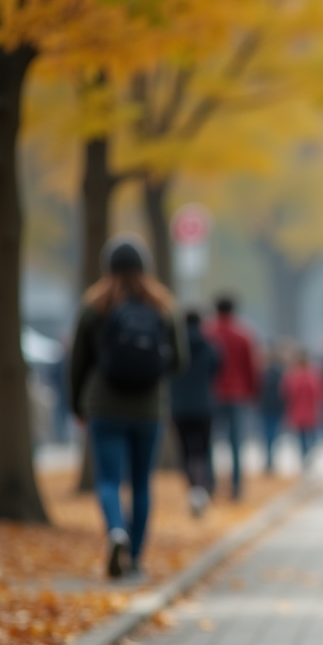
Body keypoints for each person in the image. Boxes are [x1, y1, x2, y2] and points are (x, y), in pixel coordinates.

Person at [69, 238, 185, 579]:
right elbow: (179, 360)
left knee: (108, 480)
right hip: (149, 409)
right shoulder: (162, 305)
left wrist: (78, 404)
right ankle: (135, 559)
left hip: (104, 407)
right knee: (141, 484)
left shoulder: (95, 305)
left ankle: (116, 529)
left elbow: (79, 362)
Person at [204, 295, 258, 499]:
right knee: (236, 442)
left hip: (212, 393)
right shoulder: (243, 334)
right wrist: (252, 391)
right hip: (238, 394)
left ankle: (210, 484)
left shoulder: (208, 332)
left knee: (210, 441)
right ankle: (236, 487)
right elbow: (251, 367)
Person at [170, 310, 221, 516]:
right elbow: (217, 369)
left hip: (179, 406)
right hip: (204, 405)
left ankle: (192, 490)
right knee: (203, 449)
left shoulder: (174, 348)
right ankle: (204, 487)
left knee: (185, 450)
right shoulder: (209, 347)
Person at [281, 348, 323, 465]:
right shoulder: (314, 374)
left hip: (298, 410)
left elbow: (286, 393)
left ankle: (305, 455)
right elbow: (322, 392)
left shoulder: (292, 375)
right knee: (311, 434)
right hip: (312, 410)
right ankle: (309, 453)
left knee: (301, 436)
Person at [258, 341, 288, 473]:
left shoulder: (264, 373)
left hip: (267, 407)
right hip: (275, 407)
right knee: (273, 434)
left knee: (268, 435)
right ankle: (270, 459)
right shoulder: (280, 373)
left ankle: (269, 460)